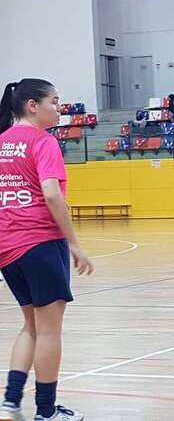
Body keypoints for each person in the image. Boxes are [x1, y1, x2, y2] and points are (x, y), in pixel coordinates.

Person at [0, 79, 93, 421]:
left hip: (8, 248)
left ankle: (10, 403)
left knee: (31, 326)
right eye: (54, 101)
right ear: (32, 106)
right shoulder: (43, 141)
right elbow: (52, 194)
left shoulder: (2, 142)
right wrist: (74, 243)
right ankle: (46, 412)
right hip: (40, 242)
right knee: (50, 331)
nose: (59, 107)